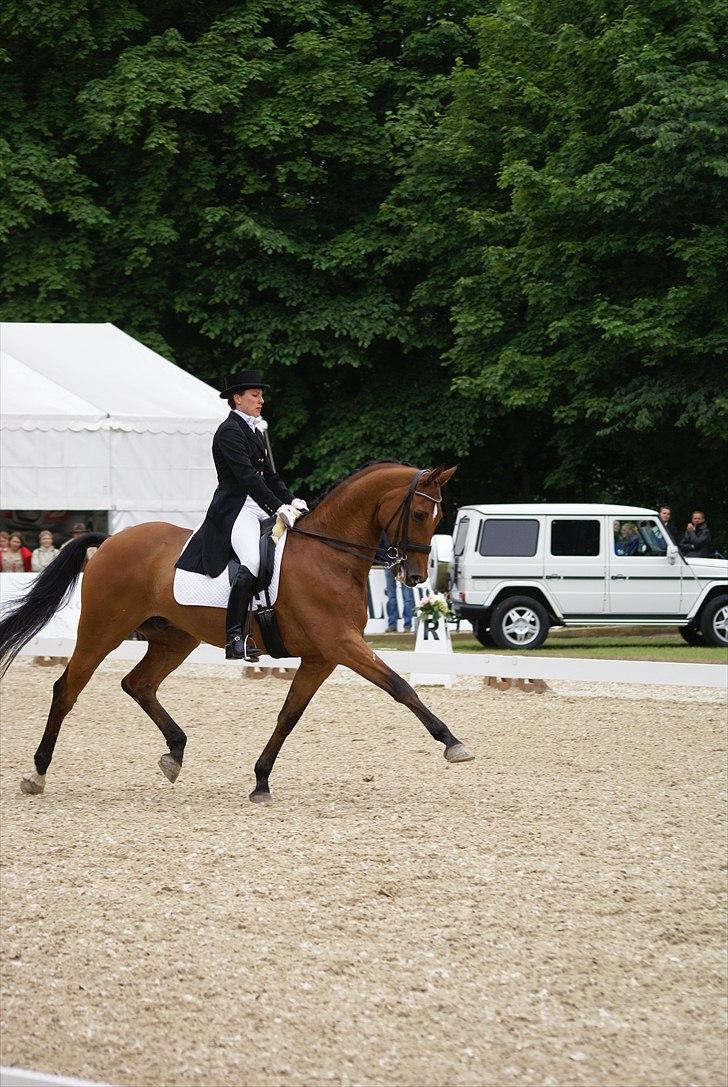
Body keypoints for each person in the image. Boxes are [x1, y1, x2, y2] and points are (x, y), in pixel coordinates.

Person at [176, 369, 307, 661]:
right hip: (236, 509)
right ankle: (234, 636)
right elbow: (247, 478)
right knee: (252, 560)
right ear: (238, 398)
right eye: (255, 395)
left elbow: (271, 477)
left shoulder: (255, 431)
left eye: (261, 396)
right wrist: (277, 507)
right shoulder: (229, 432)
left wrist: (292, 500)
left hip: (260, 504)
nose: (261, 401)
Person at [380, 533, 414, 633]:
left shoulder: (403, 526)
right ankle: (393, 624)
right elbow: (381, 545)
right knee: (393, 596)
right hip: (390, 563)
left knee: (406, 597)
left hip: (404, 563)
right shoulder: (385, 529)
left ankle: (406, 625)